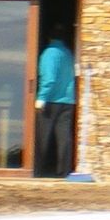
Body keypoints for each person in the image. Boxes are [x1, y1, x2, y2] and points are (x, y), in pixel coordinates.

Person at [34, 28, 77, 177]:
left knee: (43, 136)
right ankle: (63, 171)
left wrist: (41, 97)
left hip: (51, 100)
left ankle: (38, 170)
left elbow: (50, 78)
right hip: (68, 100)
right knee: (64, 136)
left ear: (49, 38)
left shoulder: (49, 53)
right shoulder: (67, 53)